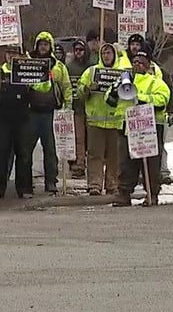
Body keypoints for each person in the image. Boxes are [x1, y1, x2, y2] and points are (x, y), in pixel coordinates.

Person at [110, 49, 171, 206]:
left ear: (148, 65)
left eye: (141, 63)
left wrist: (139, 97)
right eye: (135, 62)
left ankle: (152, 194)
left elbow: (162, 99)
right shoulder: (126, 79)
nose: (137, 65)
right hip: (127, 127)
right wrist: (114, 91)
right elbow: (109, 101)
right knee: (126, 163)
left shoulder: (156, 82)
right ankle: (124, 194)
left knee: (151, 163)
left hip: (150, 128)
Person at [0, 46, 35, 198]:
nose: (11, 56)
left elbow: (43, 87)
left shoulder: (26, 73)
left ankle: (25, 188)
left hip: (23, 119)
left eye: (15, 53)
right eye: (9, 53)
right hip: (2, 120)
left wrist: (37, 69)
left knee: (24, 155)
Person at [76, 42, 123, 196]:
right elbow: (79, 93)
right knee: (95, 155)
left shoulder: (122, 74)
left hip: (115, 121)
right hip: (95, 121)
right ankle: (94, 184)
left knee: (114, 156)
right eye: (104, 53)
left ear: (114, 55)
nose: (106, 56)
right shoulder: (91, 72)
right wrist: (88, 88)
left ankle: (112, 184)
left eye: (109, 53)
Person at [28, 31, 72, 195]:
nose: (43, 47)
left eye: (46, 44)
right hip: (31, 112)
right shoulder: (28, 63)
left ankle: (51, 182)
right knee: (26, 149)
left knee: (50, 149)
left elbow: (66, 87)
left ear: (50, 46)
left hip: (51, 113)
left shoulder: (59, 67)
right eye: (41, 44)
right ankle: (26, 182)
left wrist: (68, 108)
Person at [66, 39, 95, 179]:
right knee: (79, 138)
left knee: (92, 139)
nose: (78, 52)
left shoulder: (92, 67)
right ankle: (79, 164)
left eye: (81, 50)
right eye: (76, 49)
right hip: (76, 107)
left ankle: (93, 166)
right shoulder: (69, 67)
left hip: (91, 107)